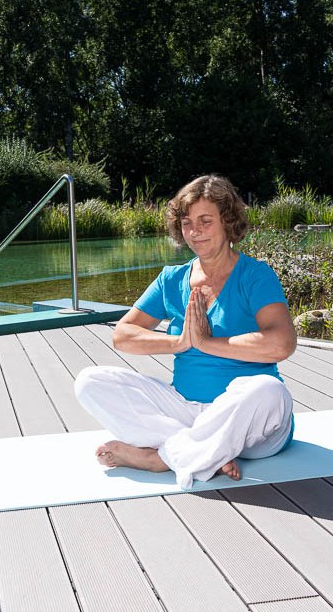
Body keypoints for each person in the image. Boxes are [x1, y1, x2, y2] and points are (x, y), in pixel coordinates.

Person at [74, 174, 297, 489]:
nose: (195, 231)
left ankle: (159, 458)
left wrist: (207, 342)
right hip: (185, 411)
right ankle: (203, 452)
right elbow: (123, 335)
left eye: (205, 220)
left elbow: (281, 344)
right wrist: (179, 342)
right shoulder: (172, 279)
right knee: (90, 382)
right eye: (187, 222)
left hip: (250, 425)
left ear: (228, 222)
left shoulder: (255, 276)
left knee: (268, 390)